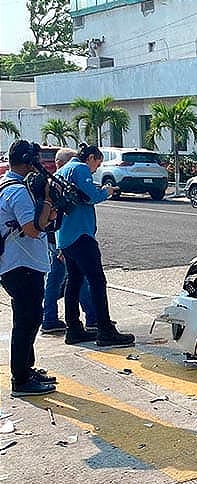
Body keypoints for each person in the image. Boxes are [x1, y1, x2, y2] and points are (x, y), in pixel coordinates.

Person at [56, 143, 135, 347]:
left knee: (73, 283)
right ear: (91, 157)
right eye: (97, 164)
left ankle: (73, 329)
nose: (96, 169)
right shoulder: (80, 169)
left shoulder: (63, 169)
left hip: (65, 236)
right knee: (97, 282)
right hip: (81, 234)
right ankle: (105, 330)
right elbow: (90, 195)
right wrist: (106, 191)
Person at [0, 140, 58, 396]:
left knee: (25, 317)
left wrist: (47, 211)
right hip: (21, 265)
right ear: (27, 160)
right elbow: (33, 230)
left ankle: (26, 368)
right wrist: (46, 199)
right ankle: (21, 379)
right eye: (36, 159)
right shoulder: (18, 191)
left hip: (15, 264)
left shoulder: (6, 185)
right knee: (27, 320)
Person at [41, 148, 95, 334]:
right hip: (59, 239)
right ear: (61, 163)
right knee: (76, 279)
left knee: (62, 279)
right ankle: (91, 317)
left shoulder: (54, 182)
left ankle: (52, 318)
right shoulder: (57, 184)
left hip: (57, 238)